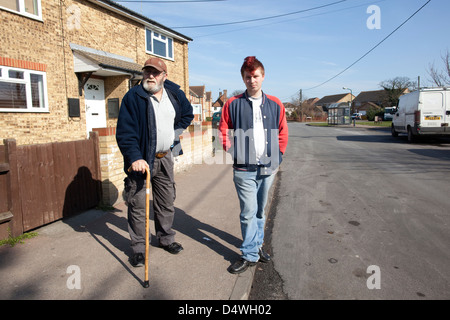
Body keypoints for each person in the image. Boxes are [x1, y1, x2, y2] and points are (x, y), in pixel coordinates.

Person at [116, 57, 194, 267]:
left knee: (166, 201)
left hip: (165, 157)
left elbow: (187, 114)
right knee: (138, 204)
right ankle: (139, 249)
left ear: (164, 76)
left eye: (155, 73)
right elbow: (126, 132)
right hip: (141, 161)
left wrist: (173, 134)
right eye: (147, 72)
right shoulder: (133, 97)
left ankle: (166, 238)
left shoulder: (175, 94)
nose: (151, 76)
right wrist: (135, 157)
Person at [218, 56, 288, 274]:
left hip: (268, 167)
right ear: (243, 78)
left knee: (260, 211)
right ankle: (249, 254)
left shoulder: (275, 104)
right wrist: (233, 151)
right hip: (244, 169)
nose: (252, 80)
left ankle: (257, 247)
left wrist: (278, 156)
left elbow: (283, 132)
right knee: (248, 212)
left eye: (256, 76)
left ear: (263, 76)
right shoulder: (232, 103)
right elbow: (222, 131)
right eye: (248, 77)